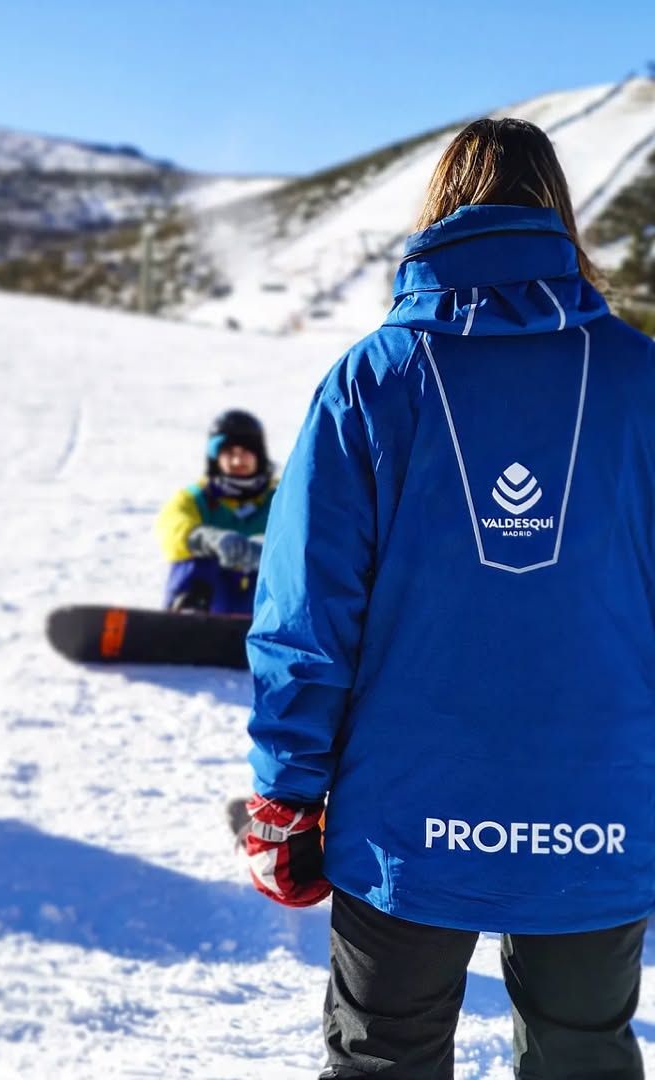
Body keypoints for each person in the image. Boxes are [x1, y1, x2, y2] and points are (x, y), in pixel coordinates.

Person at [242, 118, 655, 1079]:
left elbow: (308, 614)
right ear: (561, 214)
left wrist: (288, 796)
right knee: (584, 1054)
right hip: (600, 810)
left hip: (407, 818)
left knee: (385, 1055)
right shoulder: (643, 381)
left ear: (442, 209)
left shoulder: (373, 381)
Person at [154, 410, 276, 615]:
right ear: (215, 458)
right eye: (229, 453)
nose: (238, 461)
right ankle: (187, 621)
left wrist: (267, 548)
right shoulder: (195, 498)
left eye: (245, 452)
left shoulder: (281, 498)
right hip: (213, 601)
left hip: (263, 603)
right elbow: (171, 527)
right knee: (194, 559)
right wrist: (208, 540)